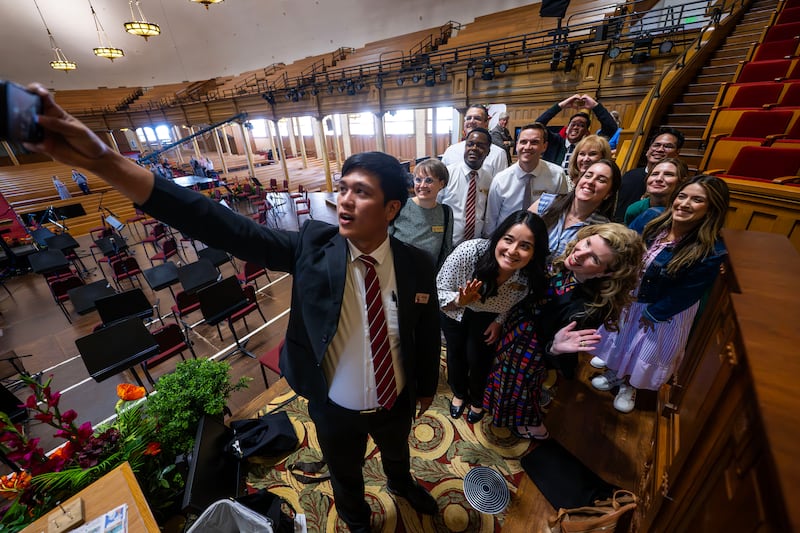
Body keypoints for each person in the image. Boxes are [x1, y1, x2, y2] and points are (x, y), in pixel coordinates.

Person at [24, 84, 441, 533]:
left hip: (395, 398)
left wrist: (423, 388)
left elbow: (424, 329)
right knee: (345, 475)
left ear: (391, 208)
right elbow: (223, 226)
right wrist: (106, 161)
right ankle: (357, 522)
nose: (343, 200)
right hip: (334, 404)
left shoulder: (415, 263)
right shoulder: (313, 248)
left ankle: (401, 483)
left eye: (359, 192)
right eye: (341, 188)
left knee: (398, 453)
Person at [484, 223, 644, 439]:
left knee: (520, 386)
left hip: (532, 348)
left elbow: (559, 347)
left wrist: (555, 347)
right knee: (505, 374)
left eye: (594, 259)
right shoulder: (565, 267)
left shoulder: (588, 308)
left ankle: (529, 424)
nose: (580, 254)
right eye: (586, 243)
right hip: (517, 329)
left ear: (606, 273)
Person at [590, 175, 730, 413]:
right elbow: (623, 244)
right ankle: (614, 372)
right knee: (623, 339)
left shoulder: (711, 250)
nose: (685, 204)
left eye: (697, 200)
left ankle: (629, 385)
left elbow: (687, 292)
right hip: (631, 297)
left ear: (711, 209)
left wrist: (656, 313)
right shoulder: (652, 218)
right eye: (683, 196)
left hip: (662, 310)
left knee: (642, 347)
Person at [437, 210, 549, 425]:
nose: (512, 251)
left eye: (525, 246)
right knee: (456, 353)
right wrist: (461, 300)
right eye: (508, 240)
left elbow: (515, 300)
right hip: (453, 309)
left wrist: (499, 321)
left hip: (489, 315)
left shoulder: (529, 275)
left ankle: (477, 398)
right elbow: (438, 291)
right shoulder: (469, 252)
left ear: (535, 252)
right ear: (498, 237)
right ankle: (459, 393)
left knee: (479, 358)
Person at [485, 123, 568, 235]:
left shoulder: (557, 175)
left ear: (544, 146)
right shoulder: (501, 179)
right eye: (523, 142)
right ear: (517, 145)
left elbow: (560, 212)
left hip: (541, 239)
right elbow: (491, 219)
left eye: (534, 142)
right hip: (507, 238)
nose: (527, 147)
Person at [529, 159, 621, 260]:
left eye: (601, 180)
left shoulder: (603, 229)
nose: (590, 182)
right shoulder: (546, 202)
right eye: (588, 176)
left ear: (609, 194)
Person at [389, 158, 453, 270]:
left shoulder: (446, 212)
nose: (422, 185)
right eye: (418, 180)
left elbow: (446, 250)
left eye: (429, 181)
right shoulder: (400, 206)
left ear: (441, 184)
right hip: (397, 273)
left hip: (429, 277)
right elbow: (384, 242)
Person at [614, 127, 684, 222]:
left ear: (677, 153)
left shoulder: (678, 185)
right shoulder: (629, 175)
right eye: (656, 145)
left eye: (668, 146)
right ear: (648, 150)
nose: (660, 149)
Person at [439, 127, 494, 245]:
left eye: (480, 146)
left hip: (475, 245)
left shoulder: (489, 180)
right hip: (447, 244)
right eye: (470, 144)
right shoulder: (447, 174)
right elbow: (435, 206)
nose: (474, 148)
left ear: (488, 151)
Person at [535, 94, 619, 170]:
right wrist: (561, 106)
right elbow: (537, 125)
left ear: (586, 131)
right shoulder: (555, 141)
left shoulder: (588, 145)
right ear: (567, 128)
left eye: (581, 125)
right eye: (573, 124)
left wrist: (595, 106)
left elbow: (611, 127)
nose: (575, 127)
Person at [441, 105, 508, 177]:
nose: (472, 121)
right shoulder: (451, 151)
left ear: (486, 123)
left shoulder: (499, 154)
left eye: (477, 118)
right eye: (468, 118)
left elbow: (500, 185)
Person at [623, 158, 688, 225]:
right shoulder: (635, 209)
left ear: (681, 182)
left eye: (668, 174)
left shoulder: (683, 211)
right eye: (655, 174)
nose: (658, 179)